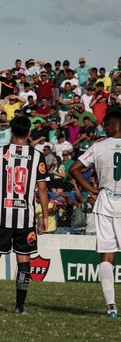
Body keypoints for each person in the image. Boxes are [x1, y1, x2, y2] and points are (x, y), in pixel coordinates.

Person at [0, 116, 49, 315]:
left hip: (2, 214)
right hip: (25, 217)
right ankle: (20, 307)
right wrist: (44, 217)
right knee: (24, 260)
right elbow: (42, 189)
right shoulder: (37, 156)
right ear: (28, 132)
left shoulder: (0, 153)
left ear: (12, 132)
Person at [70, 111, 121, 318]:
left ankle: (111, 307)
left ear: (109, 126)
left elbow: (74, 169)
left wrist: (91, 190)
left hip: (107, 203)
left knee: (107, 256)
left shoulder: (98, 147)